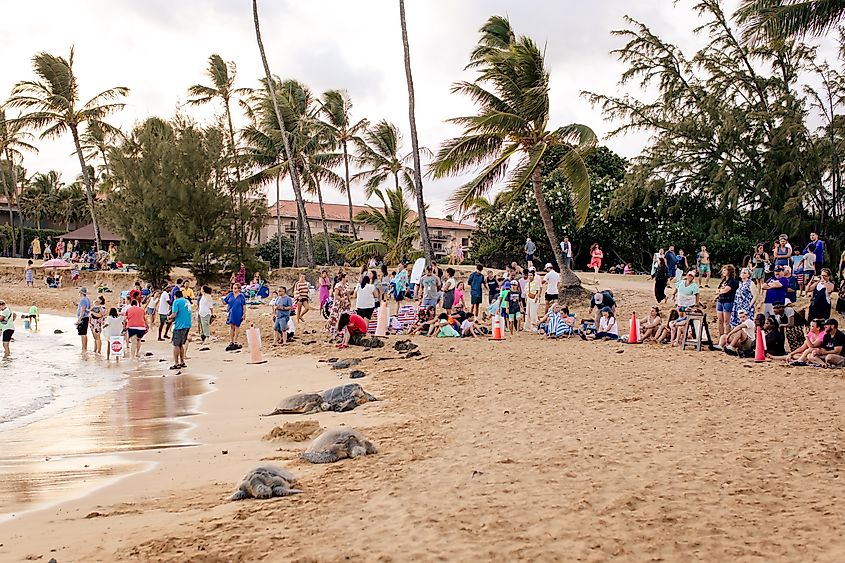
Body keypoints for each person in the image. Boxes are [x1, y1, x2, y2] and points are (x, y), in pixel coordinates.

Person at [167, 289, 192, 369]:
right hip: (187, 324)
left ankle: (176, 363)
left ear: (175, 296)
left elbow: (174, 314)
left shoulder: (176, 302)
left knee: (176, 345)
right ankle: (182, 361)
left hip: (179, 325)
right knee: (181, 344)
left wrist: (169, 317)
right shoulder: (187, 301)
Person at [715, 265, 738, 337]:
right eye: (723, 270)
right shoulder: (723, 281)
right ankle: (721, 336)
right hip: (720, 300)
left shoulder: (732, 281)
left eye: (725, 270)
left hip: (728, 301)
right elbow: (718, 290)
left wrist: (720, 291)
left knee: (726, 321)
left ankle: (727, 337)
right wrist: (720, 291)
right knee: (720, 320)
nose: (723, 272)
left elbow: (726, 290)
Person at [223, 283, 247, 351]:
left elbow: (244, 306)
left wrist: (244, 314)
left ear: (239, 289)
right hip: (231, 312)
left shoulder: (241, 296)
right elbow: (225, 302)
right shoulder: (230, 295)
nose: (234, 290)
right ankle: (231, 341)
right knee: (231, 326)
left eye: (236, 288)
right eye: (233, 288)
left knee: (237, 326)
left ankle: (235, 340)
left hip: (238, 312)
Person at [76, 287, 91, 351]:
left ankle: (84, 348)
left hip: (83, 318)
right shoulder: (87, 299)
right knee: (84, 333)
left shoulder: (83, 300)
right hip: (86, 317)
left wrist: (78, 320)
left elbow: (83, 311)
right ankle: (85, 347)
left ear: (81, 293)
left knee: (83, 334)